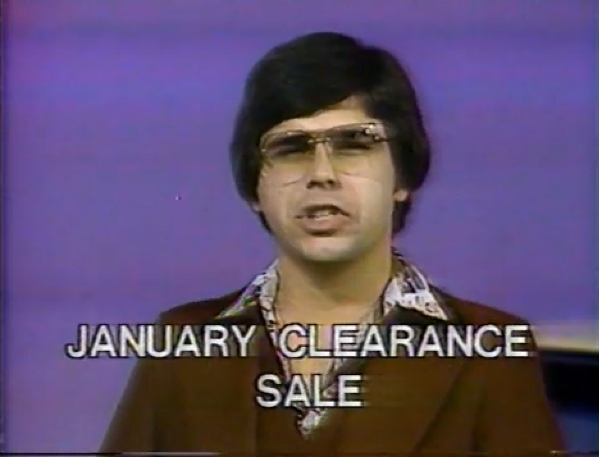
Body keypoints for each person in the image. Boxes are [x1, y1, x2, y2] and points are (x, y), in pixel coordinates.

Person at [100, 32, 564, 456]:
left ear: (403, 176)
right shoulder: (184, 344)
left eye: (354, 144)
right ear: (254, 189)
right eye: (291, 149)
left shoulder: (490, 349)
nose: (322, 174)